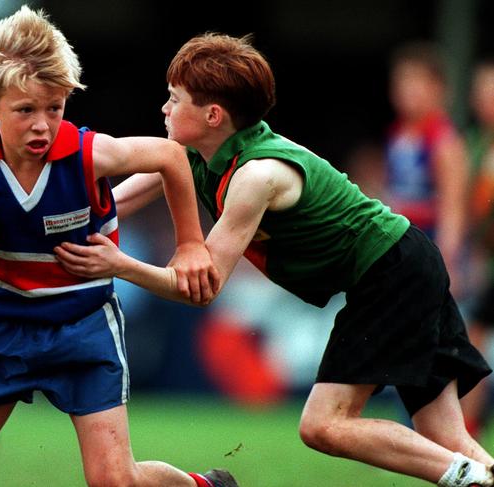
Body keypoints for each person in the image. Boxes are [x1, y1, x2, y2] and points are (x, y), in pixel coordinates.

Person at [54, 33, 494, 486]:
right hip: (405, 263)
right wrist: (45, 223)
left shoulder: (256, 176)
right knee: (448, 436)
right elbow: (110, 206)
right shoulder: (197, 150)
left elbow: (204, 286)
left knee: (324, 425)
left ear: (212, 115)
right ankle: (474, 471)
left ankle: (468, 477)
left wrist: (119, 264)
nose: (164, 108)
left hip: (392, 273)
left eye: (173, 99)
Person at [0, 7, 237, 487]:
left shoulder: (88, 153)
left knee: (114, 481)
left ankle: (203, 484)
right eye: (25, 110)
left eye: (54, 108)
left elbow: (170, 155)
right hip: (1, 328)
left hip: (82, 328)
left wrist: (191, 245)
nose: (42, 125)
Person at [384, 41, 470, 297]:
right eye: (402, 82)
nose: (407, 90)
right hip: (402, 245)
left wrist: (446, 262)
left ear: (438, 89)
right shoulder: (397, 135)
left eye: (416, 82)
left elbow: (453, 208)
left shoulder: (443, 140)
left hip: (430, 246)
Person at [460, 59, 494, 438]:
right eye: (482, 93)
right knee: (472, 343)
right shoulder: (473, 145)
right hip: (487, 264)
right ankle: (468, 428)